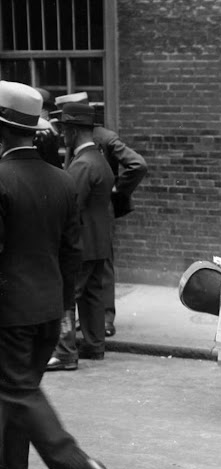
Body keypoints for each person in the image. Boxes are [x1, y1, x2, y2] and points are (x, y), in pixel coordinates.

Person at [0, 80, 107, 469]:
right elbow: (72, 252)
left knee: (16, 389)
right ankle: (12, 466)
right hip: (48, 306)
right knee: (22, 389)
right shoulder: (63, 181)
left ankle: (78, 464)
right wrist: (63, 307)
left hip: (11, 309)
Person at [52, 92, 148, 338]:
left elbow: (137, 164)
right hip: (90, 211)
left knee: (98, 268)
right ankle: (94, 330)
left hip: (94, 211)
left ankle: (105, 319)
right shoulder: (80, 144)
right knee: (95, 271)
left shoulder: (103, 139)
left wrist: (116, 192)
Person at [47, 103, 114, 370]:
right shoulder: (99, 161)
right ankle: (95, 346)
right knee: (93, 296)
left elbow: (68, 207)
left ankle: (65, 352)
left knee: (67, 295)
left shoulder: (82, 165)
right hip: (100, 243)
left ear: (73, 131)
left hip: (80, 246)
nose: (62, 135)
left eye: (64, 130)